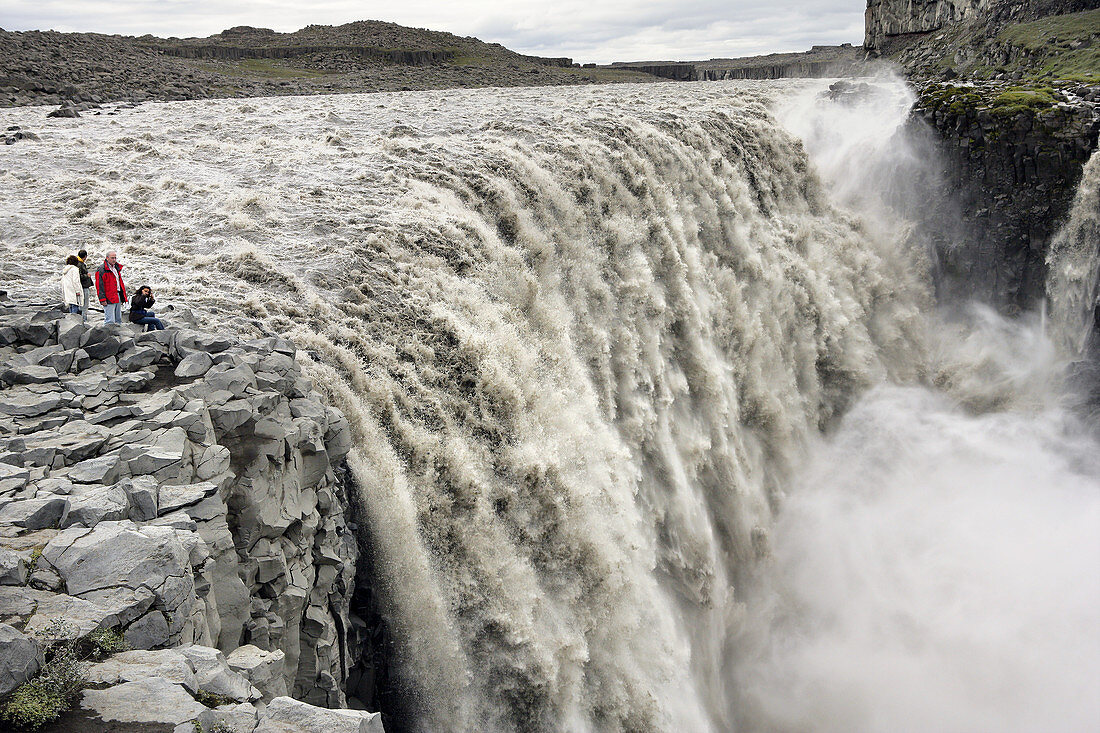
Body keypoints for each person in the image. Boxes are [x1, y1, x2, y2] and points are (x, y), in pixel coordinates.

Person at [95, 251, 127, 324]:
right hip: (108, 297)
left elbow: (120, 283)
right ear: (107, 258)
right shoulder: (101, 269)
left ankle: (118, 334)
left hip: (117, 295)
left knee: (118, 319)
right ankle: (108, 334)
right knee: (110, 320)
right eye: (112, 258)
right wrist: (102, 299)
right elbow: (99, 286)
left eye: (115, 258)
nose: (114, 260)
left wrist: (122, 297)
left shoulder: (116, 268)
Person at [76, 249, 93, 323]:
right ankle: (84, 320)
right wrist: (87, 276)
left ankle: (81, 319)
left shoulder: (78, 263)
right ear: (85, 256)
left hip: (81, 287)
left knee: (81, 304)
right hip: (83, 287)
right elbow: (79, 276)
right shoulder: (80, 264)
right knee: (84, 305)